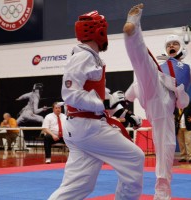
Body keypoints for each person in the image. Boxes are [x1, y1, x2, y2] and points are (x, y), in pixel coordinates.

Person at [49, 10, 145, 200]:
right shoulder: (83, 56)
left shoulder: (90, 57)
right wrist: (104, 103)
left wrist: (123, 113)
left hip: (80, 129)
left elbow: (100, 94)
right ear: (99, 32)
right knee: (134, 157)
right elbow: (70, 94)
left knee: (78, 186)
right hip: (88, 127)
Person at [123, 4, 191, 199]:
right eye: (168, 45)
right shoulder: (159, 66)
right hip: (151, 91)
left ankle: (162, 193)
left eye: (175, 44)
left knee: (165, 149)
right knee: (143, 64)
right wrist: (128, 96)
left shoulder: (187, 69)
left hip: (165, 103)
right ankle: (132, 28)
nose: (171, 47)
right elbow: (141, 80)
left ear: (181, 48)